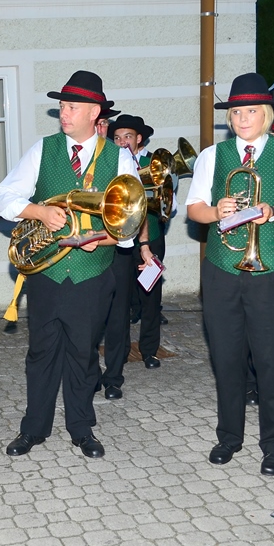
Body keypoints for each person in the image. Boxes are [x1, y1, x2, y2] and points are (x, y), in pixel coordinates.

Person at [0, 70, 139, 459]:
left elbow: (128, 226)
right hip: (47, 272)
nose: (64, 113)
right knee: (41, 352)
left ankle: (81, 428)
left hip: (93, 274)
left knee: (83, 354)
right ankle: (33, 429)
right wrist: (39, 211)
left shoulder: (119, 157)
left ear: (94, 112)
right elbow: (2, 196)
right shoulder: (43, 149)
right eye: (61, 106)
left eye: (72, 107)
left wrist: (100, 239)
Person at [185, 72, 274, 476]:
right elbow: (194, 209)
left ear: (266, 114)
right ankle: (229, 437)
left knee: (271, 359)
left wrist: (272, 212)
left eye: (251, 112)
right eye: (237, 113)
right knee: (226, 358)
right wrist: (215, 211)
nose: (243, 119)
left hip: (272, 268)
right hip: (222, 269)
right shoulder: (212, 155)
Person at [99, 114, 159, 401]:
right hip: (86, 246)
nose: (102, 129)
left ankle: (113, 376)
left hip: (120, 247)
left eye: (104, 124)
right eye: (100, 125)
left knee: (119, 314)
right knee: (88, 316)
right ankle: (89, 373)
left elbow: (139, 205)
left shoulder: (121, 159)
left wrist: (144, 245)